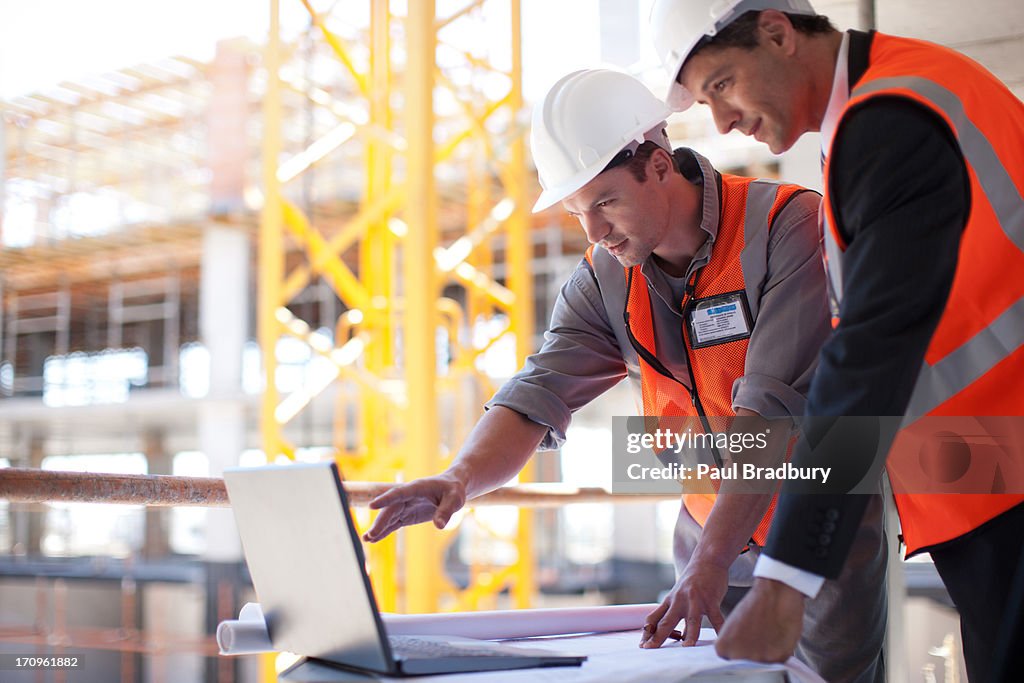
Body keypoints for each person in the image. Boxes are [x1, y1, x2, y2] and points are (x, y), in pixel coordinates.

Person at [362, 68, 886, 683]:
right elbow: (539, 391)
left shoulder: (784, 226)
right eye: (578, 210)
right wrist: (461, 477)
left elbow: (770, 417)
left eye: (606, 201)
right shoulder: (607, 276)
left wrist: (709, 566)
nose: (594, 231)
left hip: (813, 535)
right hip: (706, 539)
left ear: (659, 165)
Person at [649, 1, 1024, 680]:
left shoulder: (891, 121)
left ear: (777, 32)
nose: (723, 122)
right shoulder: (891, 101)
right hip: (990, 475)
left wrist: (785, 578)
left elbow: (868, 353)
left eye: (723, 85)